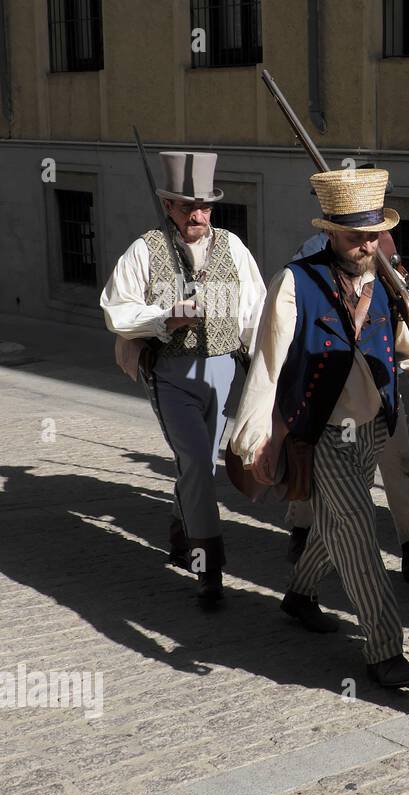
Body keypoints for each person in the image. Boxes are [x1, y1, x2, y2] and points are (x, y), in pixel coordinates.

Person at [228, 167, 409, 687]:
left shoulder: (390, 285)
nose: (367, 245)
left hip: (374, 426)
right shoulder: (294, 281)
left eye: (374, 234)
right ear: (330, 231)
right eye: (356, 236)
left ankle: (300, 592)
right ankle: (384, 649)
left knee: (336, 525)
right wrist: (255, 435)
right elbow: (267, 363)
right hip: (322, 431)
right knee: (355, 529)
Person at [101, 149, 265, 605]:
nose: (198, 214)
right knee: (195, 461)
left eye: (205, 205)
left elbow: (255, 310)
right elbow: (117, 309)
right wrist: (165, 318)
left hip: (223, 370)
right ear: (168, 205)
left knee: (200, 465)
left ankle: (180, 524)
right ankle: (208, 568)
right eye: (187, 205)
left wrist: (265, 366)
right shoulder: (145, 250)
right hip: (171, 373)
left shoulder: (233, 247)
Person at [284, 228, 409, 585]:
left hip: (381, 387)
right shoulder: (309, 257)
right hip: (328, 395)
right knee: (328, 490)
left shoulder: (384, 247)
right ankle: (302, 529)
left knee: (399, 464)